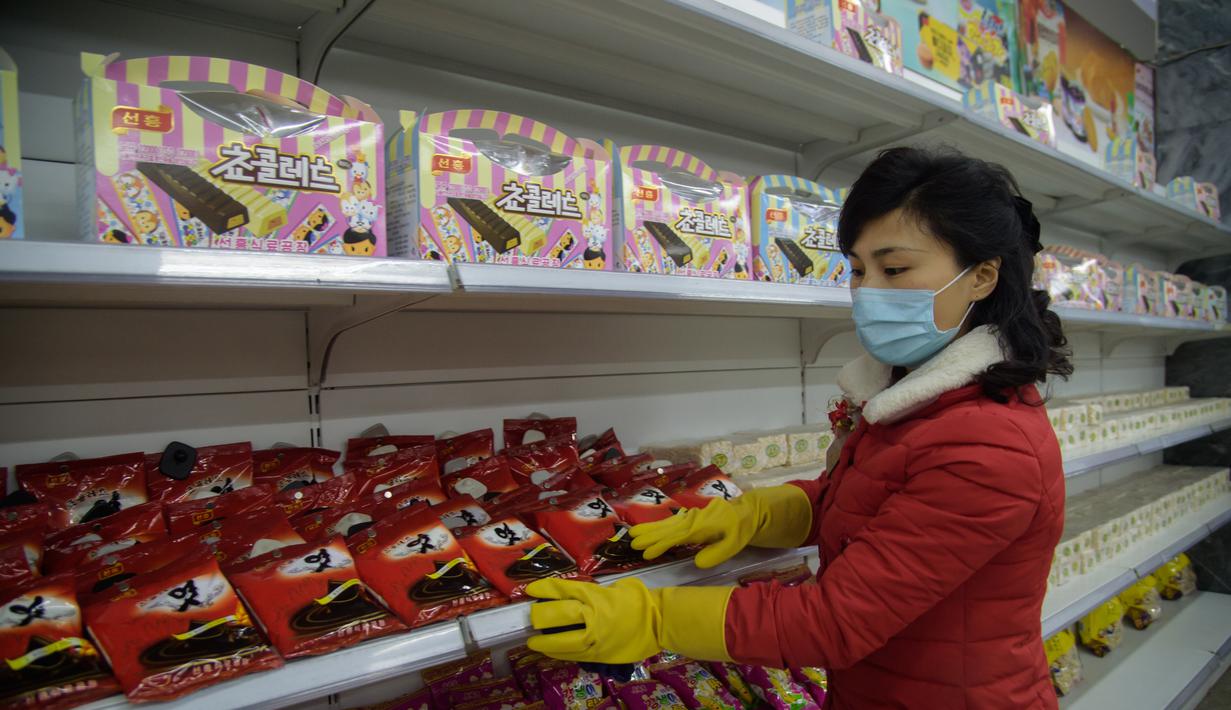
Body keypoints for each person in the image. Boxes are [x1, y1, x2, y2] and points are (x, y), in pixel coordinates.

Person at [526, 146, 1071, 708]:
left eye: (896, 268)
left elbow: (834, 622)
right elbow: (873, 506)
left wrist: (653, 617)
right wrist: (755, 514)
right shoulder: (917, 401)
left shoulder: (987, 444)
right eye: (857, 269)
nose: (868, 292)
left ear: (982, 275)